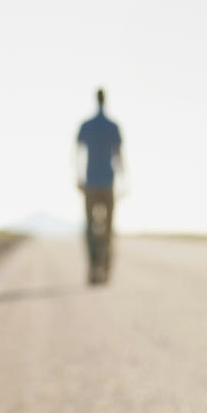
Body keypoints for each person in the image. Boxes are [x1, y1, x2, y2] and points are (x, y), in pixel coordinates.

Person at [76, 88, 124, 284]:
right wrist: (124, 179)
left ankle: (92, 266)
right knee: (109, 228)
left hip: (90, 183)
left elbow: (78, 153)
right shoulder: (112, 126)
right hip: (108, 183)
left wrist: (78, 178)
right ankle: (105, 266)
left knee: (89, 227)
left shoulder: (86, 125)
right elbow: (119, 155)